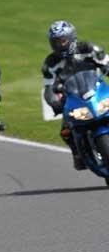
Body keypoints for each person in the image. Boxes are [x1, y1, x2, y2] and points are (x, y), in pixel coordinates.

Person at [41, 20, 108, 170]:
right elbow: (48, 87)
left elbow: (106, 62)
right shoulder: (51, 63)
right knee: (66, 132)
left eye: (62, 41)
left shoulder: (89, 49)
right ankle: (77, 154)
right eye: (55, 42)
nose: (59, 45)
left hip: (98, 92)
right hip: (72, 99)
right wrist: (53, 102)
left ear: (72, 38)